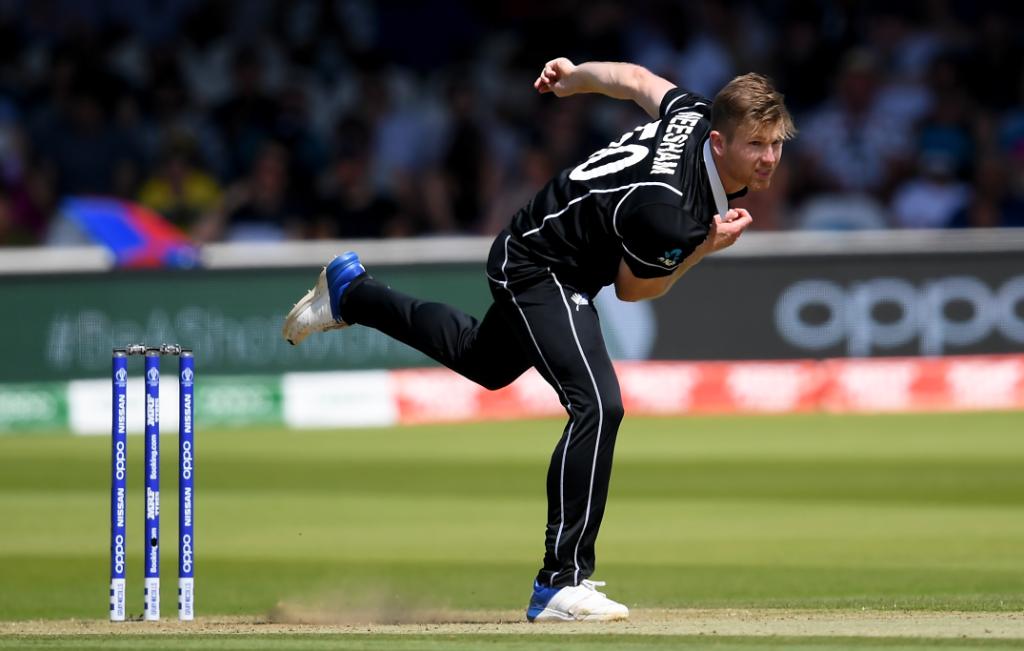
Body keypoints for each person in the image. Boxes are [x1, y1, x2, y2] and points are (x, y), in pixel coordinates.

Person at [282, 57, 795, 622]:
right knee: (599, 404)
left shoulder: (696, 114)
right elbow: (634, 289)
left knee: (485, 360)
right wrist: (705, 247)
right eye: (756, 145)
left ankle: (350, 293)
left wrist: (578, 76)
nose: (769, 158)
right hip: (539, 265)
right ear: (719, 141)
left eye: (775, 143)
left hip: (551, 246)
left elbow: (639, 82)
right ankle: (559, 582)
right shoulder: (670, 213)